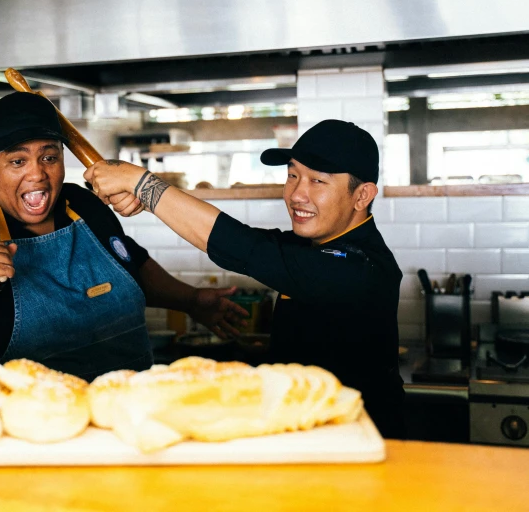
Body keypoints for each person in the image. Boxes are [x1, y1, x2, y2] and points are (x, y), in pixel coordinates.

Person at [0, 92, 247, 382]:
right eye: (17, 161)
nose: (37, 175)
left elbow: (131, 266)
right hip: (17, 445)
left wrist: (194, 301)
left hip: (124, 421)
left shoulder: (84, 204)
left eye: (49, 157)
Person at [84, 119, 406, 437]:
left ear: (362, 196)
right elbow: (244, 240)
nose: (297, 194)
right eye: (292, 175)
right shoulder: (314, 245)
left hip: (360, 444)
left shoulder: (361, 265)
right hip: (310, 436)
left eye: (317, 182)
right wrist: (141, 192)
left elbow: (242, 247)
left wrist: (141, 184)